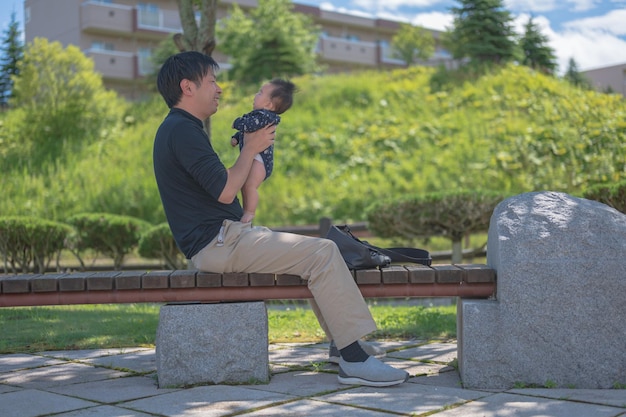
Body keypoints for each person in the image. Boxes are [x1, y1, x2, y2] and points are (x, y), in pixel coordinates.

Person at [153, 51, 409, 387]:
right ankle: (354, 360)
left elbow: (221, 187)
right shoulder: (182, 131)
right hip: (220, 243)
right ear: (188, 87)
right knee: (323, 253)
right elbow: (226, 191)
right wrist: (251, 147)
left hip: (226, 238)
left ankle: (343, 344)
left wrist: (249, 152)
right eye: (212, 81)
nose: (219, 88)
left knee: (316, 253)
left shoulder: (182, 129)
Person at [230, 79, 296, 223]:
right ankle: (245, 211)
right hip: (254, 157)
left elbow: (249, 126)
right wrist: (236, 138)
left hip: (260, 161)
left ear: (269, 105)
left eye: (260, 93)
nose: (255, 95)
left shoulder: (265, 117)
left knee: (250, 185)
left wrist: (237, 123)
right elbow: (247, 132)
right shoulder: (257, 116)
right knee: (244, 185)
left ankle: (250, 212)